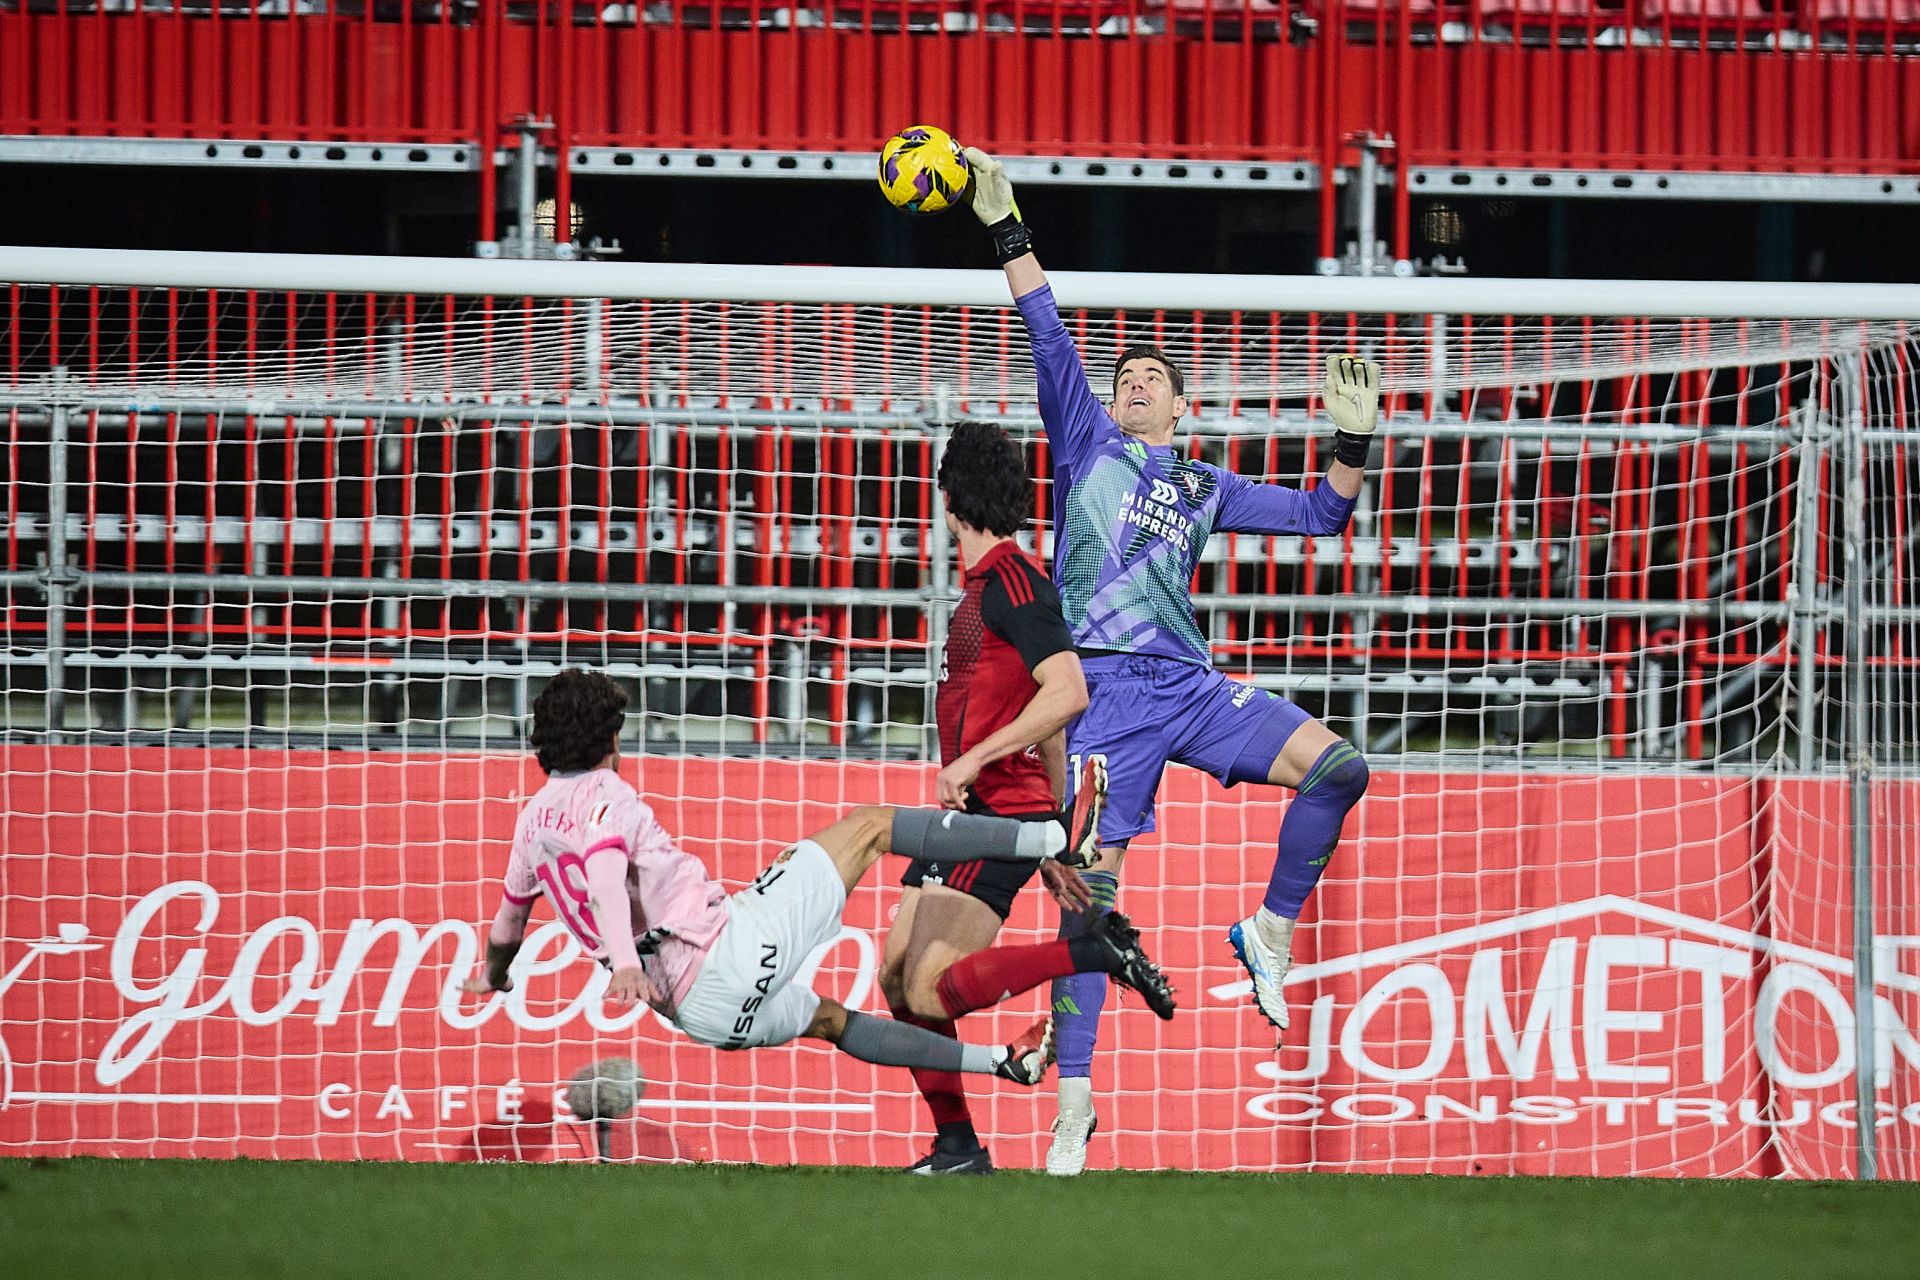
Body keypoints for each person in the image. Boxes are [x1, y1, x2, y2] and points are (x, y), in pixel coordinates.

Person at [957, 145, 1383, 1175]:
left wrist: (1353, 437)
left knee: (1342, 766)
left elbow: (1324, 515)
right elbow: (1044, 325)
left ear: (1183, 407)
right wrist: (1006, 224)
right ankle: (1073, 1105)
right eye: (1126, 377)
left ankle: (1270, 930)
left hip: (1192, 686)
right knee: (1090, 902)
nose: (1135, 383)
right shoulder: (1088, 440)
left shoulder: (1204, 482)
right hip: (1102, 697)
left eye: (1153, 377)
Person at [461, 668, 1174, 1091]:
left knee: (833, 1021)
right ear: (612, 736)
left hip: (699, 1016)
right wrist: (620, 961)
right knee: (869, 827)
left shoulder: (531, 823)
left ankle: (1001, 1065)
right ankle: (1056, 835)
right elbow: (606, 870)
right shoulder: (606, 798)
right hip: (727, 953)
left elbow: (506, 928)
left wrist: (493, 977)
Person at [878, 421, 1174, 1176]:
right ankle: (956, 1146)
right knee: (897, 981)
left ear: (948, 504)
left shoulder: (1017, 585)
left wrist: (1005, 786)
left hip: (993, 815)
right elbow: (1043, 719)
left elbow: (1067, 691)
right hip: (985, 816)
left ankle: (1089, 950)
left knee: (928, 990)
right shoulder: (990, 588)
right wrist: (1057, 834)